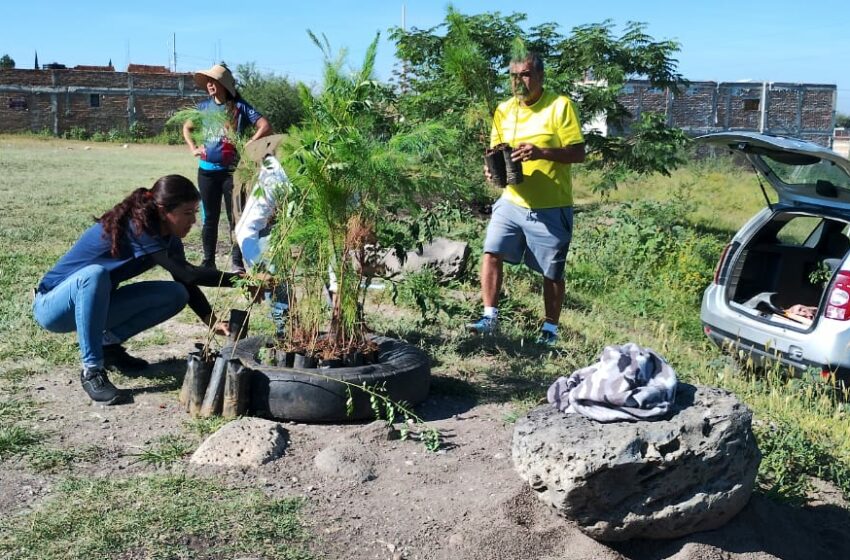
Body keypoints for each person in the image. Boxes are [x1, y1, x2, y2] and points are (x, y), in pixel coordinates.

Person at [32, 175, 260, 405]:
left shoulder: (168, 237)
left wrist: (211, 320)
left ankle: (108, 345)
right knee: (94, 274)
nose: (193, 221)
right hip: (53, 308)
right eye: (187, 213)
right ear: (163, 210)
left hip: (96, 306)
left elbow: (185, 281)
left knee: (176, 294)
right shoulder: (137, 227)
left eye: (195, 212)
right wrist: (239, 280)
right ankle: (91, 371)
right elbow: (189, 273)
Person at [467, 51, 586, 346]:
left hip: (550, 206)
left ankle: (550, 329)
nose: (519, 80)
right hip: (512, 200)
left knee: (552, 270)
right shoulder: (504, 110)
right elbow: (496, 150)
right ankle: (490, 316)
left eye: (526, 74)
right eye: (513, 75)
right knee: (491, 252)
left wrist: (541, 152)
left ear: (540, 76)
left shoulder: (560, 106)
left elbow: (578, 153)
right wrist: (490, 168)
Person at [182, 62, 272, 272]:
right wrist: (193, 147)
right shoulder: (204, 108)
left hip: (232, 172)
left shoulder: (240, 107)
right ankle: (208, 263)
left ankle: (237, 264)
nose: (210, 85)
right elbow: (187, 127)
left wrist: (250, 142)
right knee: (210, 218)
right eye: (208, 82)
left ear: (224, 85)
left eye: (214, 82)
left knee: (236, 218)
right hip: (207, 172)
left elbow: (264, 125)